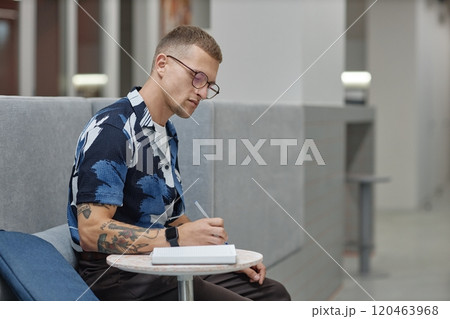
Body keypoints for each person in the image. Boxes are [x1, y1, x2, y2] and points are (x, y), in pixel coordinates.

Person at [67, 25, 291, 301]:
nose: (203, 92)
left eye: (209, 84)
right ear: (162, 64)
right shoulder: (113, 128)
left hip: (161, 259)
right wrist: (178, 238)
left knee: (272, 293)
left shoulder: (167, 132)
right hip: (116, 274)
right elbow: (91, 232)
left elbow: (174, 218)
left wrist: (228, 256)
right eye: (197, 77)